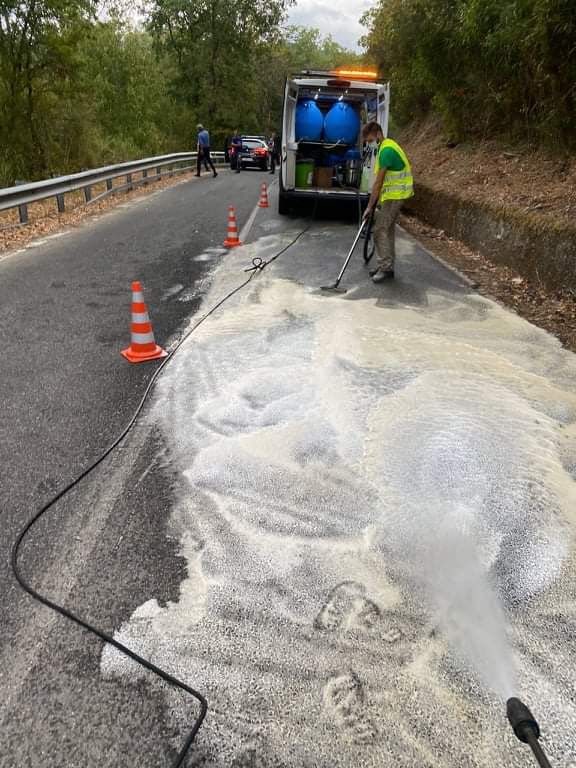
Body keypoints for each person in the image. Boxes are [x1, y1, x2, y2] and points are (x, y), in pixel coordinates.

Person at [362, 121, 414, 282]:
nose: (369, 144)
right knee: (388, 230)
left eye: (370, 140)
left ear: (378, 134)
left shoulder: (386, 151)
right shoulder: (386, 146)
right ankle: (387, 265)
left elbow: (378, 183)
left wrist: (369, 207)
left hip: (396, 196)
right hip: (392, 196)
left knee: (380, 230)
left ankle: (385, 268)